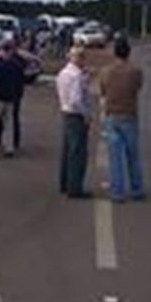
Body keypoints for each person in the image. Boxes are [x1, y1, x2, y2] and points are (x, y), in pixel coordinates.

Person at [98, 36, 145, 203]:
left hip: (112, 114)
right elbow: (138, 88)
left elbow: (102, 91)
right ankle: (137, 189)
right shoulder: (136, 71)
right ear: (128, 52)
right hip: (130, 114)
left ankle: (118, 191)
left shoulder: (105, 71)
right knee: (133, 155)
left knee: (115, 156)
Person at [56, 46, 92, 199]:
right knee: (77, 153)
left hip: (65, 112)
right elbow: (76, 100)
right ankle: (75, 187)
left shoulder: (63, 73)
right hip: (76, 115)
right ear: (79, 58)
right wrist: (86, 114)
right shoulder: (77, 76)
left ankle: (64, 182)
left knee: (67, 150)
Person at [0, 40, 26, 158]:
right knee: (8, 123)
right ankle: (9, 148)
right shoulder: (17, 66)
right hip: (11, 97)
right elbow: (20, 83)